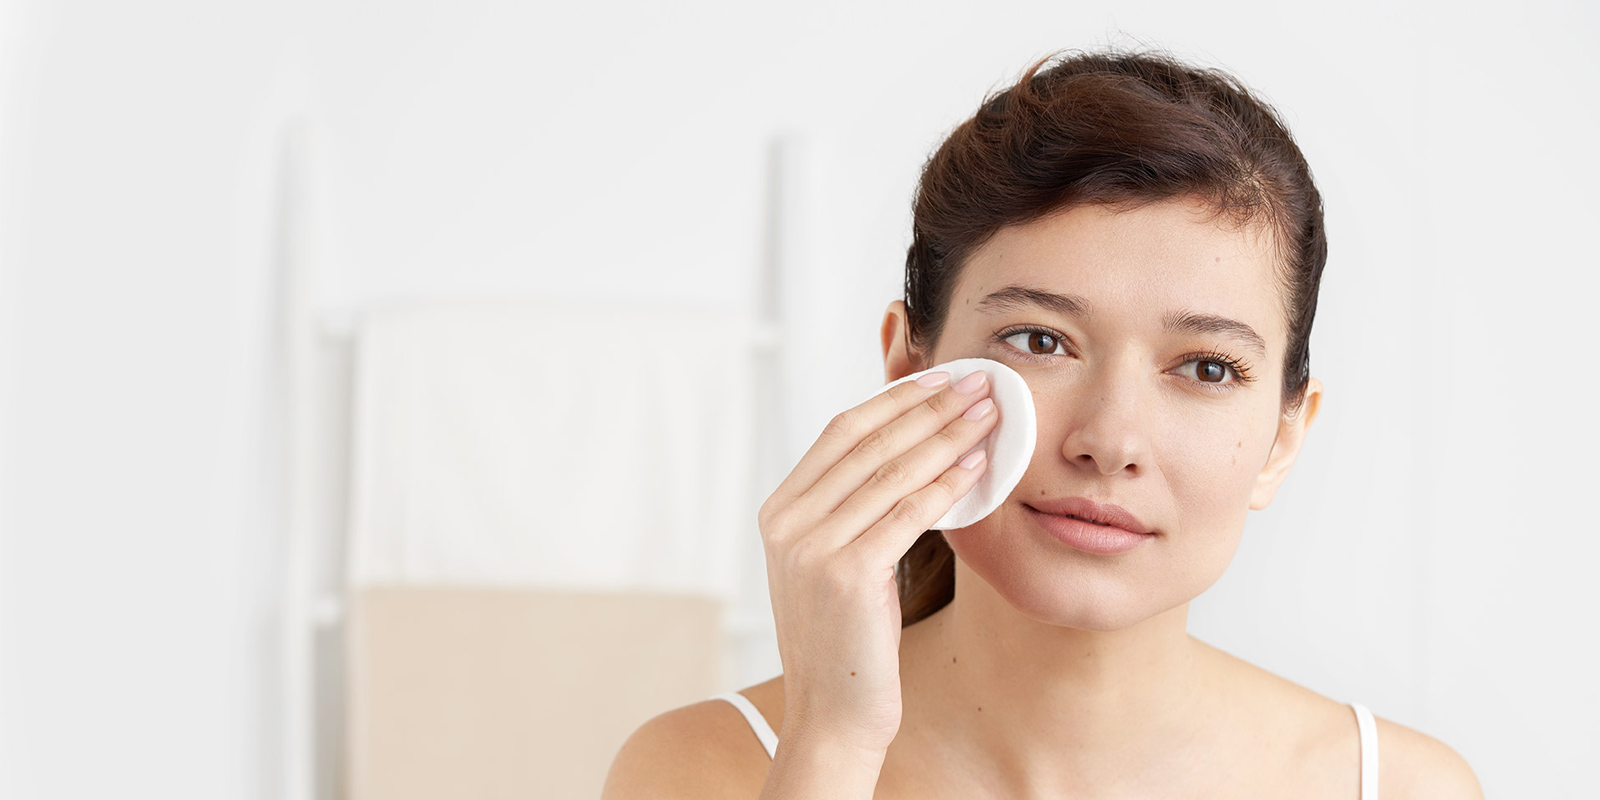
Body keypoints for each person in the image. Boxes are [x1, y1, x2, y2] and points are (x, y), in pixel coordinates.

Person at [603, 45, 1483, 799]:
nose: (1110, 441)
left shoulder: (1399, 787)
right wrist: (831, 744)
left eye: (1207, 368)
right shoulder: (705, 769)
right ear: (909, 370)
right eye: (1040, 340)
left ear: (1284, 439)